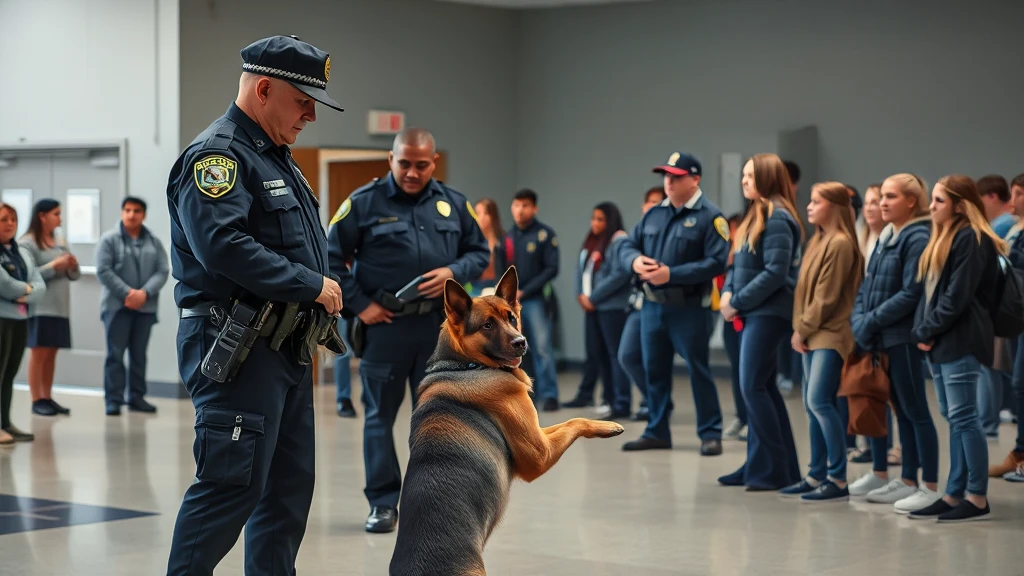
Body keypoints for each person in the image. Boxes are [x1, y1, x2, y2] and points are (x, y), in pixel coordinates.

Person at [165, 35, 346, 575]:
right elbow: (221, 246)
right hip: (236, 346)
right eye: (303, 101)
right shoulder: (218, 157)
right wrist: (310, 284)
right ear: (264, 89)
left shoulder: (278, 160)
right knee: (230, 489)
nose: (312, 115)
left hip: (284, 349)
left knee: (286, 497)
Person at [328, 127, 489, 534]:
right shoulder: (363, 203)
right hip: (387, 328)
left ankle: (432, 503)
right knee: (379, 417)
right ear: (391, 159)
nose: (412, 172)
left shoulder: (454, 204)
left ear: (433, 162)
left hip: (439, 331)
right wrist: (361, 305)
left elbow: (479, 252)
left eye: (421, 165)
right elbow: (329, 257)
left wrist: (454, 271)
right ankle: (382, 504)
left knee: (438, 418)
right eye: (404, 164)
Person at [619, 152, 729, 455]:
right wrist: (636, 261)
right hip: (653, 306)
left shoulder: (711, 217)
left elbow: (716, 263)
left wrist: (672, 274)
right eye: (666, 175)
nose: (668, 181)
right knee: (654, 370)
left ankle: (710, 432)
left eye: (676, 176)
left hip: (689, 308)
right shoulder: (654, 214)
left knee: (698, 370)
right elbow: (627, 244)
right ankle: (657, 430)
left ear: (695, 180)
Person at [910, 174, 1002, 523]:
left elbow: (957, 298)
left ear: (960, 206)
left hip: (960, 339)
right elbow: (932, 294)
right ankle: (953, 494)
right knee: (954, 418)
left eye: (938, 201)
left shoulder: (972, 239)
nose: (930, 206)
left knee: (965, 418)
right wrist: (925, 330)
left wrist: (927, 330)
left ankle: (976, 497)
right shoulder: (946, 237)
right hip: (942, 339)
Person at [849, 173, 941, 513]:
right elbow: (868, 285)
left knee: (916, 411)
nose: (883, 203)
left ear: (912, 202)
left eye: (890, 197)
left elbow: (909, 293)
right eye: (882, 197)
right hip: (880, 335)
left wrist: (870, 321)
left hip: (900, 337)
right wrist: (859, 319)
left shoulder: (917, 236)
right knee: (901, 411)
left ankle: (929, 484)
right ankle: (907, 480)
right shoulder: (888, 234)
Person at [718, 153, 803, 490]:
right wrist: (728, 292)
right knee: (762, 387)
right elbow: (740, 265)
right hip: (754, 310)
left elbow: (775, 273)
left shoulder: (779, 217)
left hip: (769, 313)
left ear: (767, 177)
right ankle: (761, 464)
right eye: (743, 175)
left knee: (752, 386)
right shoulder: (760, 213)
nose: (744, 181)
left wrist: (736, 301)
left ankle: (774, 469)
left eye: (750, 175)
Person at [780, 182, 864, 502]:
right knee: (811, 405)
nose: (810, 206)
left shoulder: (841, 243)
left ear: (836, 206)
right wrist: (803, 330)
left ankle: (838, 478)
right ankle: (816, 474)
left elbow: (826, 296)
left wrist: (801, 330)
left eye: (817, 201)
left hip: (830, 333)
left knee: (819, 402)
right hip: (812, 332)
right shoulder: (818, 240)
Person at [95, 197, 169, 415]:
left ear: (143, 215)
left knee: (139, 354)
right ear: (122, 212)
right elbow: (103, 270)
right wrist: (128, 293)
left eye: (136, 211)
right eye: (127, 210)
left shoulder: (153, 241)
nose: (131, 214)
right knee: (115, 356)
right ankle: (114, 400)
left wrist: (144, 293)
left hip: (144, 308)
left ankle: (137, 397)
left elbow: (163, 270)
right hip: (117, 307)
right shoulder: (109, 240)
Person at [493, 189, 561, 411]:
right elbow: (500, 271)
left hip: (535, 301)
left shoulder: (545, 235)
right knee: (515, 348)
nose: (519, 210)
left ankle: (550, 395)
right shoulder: (506, 238)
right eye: (516, 205)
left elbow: (552, 269)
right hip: (509, 306)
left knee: (542, 348)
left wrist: (525, 291)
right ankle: (525, 392)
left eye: (524, 206)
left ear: (534, 208)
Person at [565, 202, 633, 418]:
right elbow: (581, 269)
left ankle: (621, 403)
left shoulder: (619, 240)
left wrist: (593, 297)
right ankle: (609, 399)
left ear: (610, 221)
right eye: (593, 218)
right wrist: (580, 295)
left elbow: (620, 274)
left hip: (611, 307)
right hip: (592, 307)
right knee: (598, 354)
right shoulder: (592, 242)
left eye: (600, 219)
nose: (595, 223)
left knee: (615, 355)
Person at [19, 198, 80, 416]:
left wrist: (72, 265)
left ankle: (47, 396)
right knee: (39, 354)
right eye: (56, 213)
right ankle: (36, 399)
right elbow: (28, 275)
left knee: (51, 353)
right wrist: (55, 266)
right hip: (40, 307)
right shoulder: (27, 243)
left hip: (60, 307)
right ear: (42, 216)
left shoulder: (60, 241)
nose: (59, 218)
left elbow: (74, 274)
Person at [617, 186, 666, 421]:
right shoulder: (640, 230)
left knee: (656, 360)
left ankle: (656, 403)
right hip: (640, 304)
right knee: (627, 355)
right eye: (649, 202)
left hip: (669, 303)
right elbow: (624, 249)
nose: (652, 207)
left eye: (658, 202)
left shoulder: (668, 230)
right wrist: (634, 260)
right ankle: (654, 399)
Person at [0, 202, 45, 445]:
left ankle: (5, 423)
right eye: (4, 219)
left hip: (19, 318)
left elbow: (40, 285)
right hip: (1, 319)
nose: (9, 224)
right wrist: (27, 288)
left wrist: (26, 291)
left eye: (13, 219)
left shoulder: (22, 253)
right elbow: (5, 285)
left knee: (9, 374)